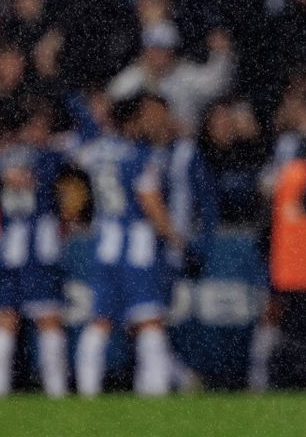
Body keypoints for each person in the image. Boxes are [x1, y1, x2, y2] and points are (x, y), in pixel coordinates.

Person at [73, 93, 185, 397]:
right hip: (137, 245)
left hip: (105, 242)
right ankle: (154, 391)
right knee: (149, 320)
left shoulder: (96, 151)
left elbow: (73, 158)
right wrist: (174, 236)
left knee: (100, 320)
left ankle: (87, 390)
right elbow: (148, 200)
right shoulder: (139, 156)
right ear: (133, 121)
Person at [0, 104, 71, 398]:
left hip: (8, 249)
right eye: (40, 126)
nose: (43, 133)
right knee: (48, 321)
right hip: (38, 249)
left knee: (6, 320)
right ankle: (56, 391)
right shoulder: (47, 156)